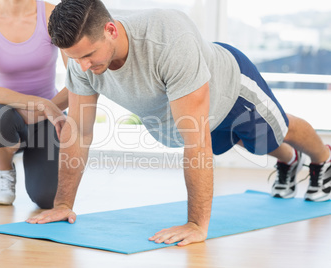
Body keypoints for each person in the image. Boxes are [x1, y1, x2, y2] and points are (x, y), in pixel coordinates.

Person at [27, 0, 331, 246]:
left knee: (277, 130)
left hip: (231, 89)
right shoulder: (84, 56)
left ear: (111, 30)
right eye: (74, 59)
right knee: (247, 142)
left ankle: (323, 159)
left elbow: (196, 141)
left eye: (89, 56)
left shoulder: (168, 40)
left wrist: (197, 224)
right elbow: (79, 131)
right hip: (185, 112)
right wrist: (63, 204)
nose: (83, 68)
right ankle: (290, 161)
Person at [0, 0, 67, 208]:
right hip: (6, 118)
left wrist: (46, 110)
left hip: (48, 119)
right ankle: (4, 171)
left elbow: (78, 82)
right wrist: (40, 104)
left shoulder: (53, 15)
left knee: (48, 199)